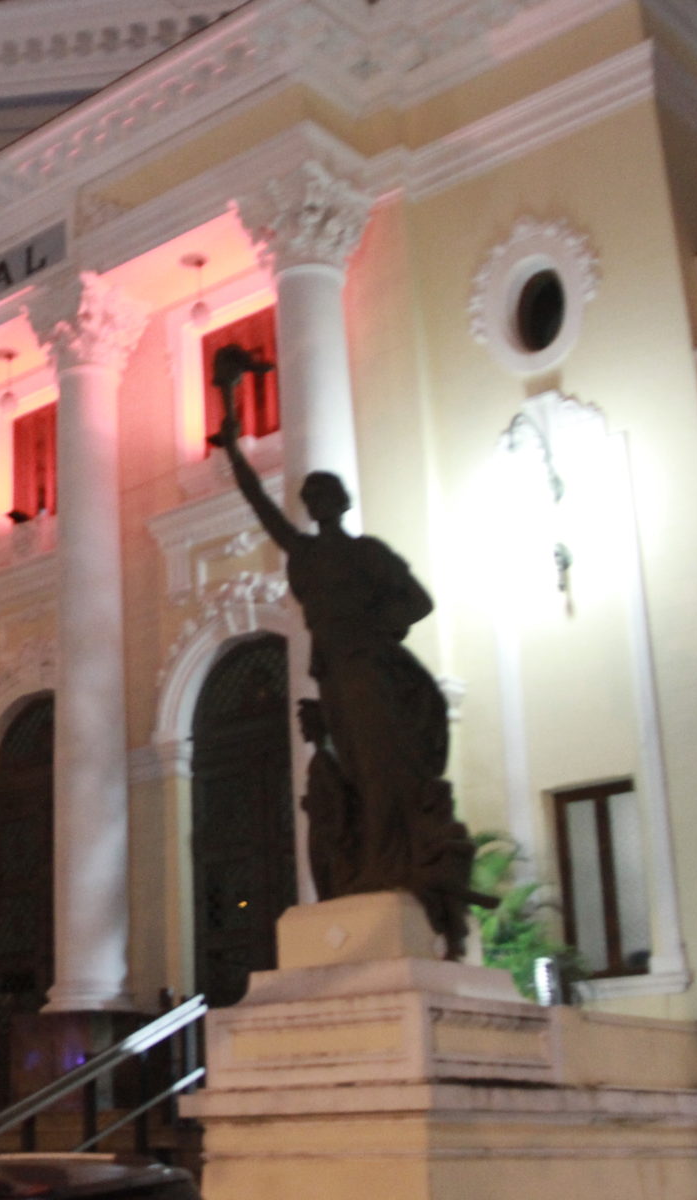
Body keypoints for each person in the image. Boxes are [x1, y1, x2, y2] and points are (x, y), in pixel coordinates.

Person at [209, 346, 485, 955]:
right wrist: (233, 451)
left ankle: (391, 868)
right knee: (354, 769)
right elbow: (259, 507)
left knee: (384, 767)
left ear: (339, 504)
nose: (314, 505)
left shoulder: (366, 555)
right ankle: (369, 869)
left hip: (368, 670)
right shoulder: (305, 554)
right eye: (310, 498)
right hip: (335, 675)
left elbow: (417, 602)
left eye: (321, 496)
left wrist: (370, 630)